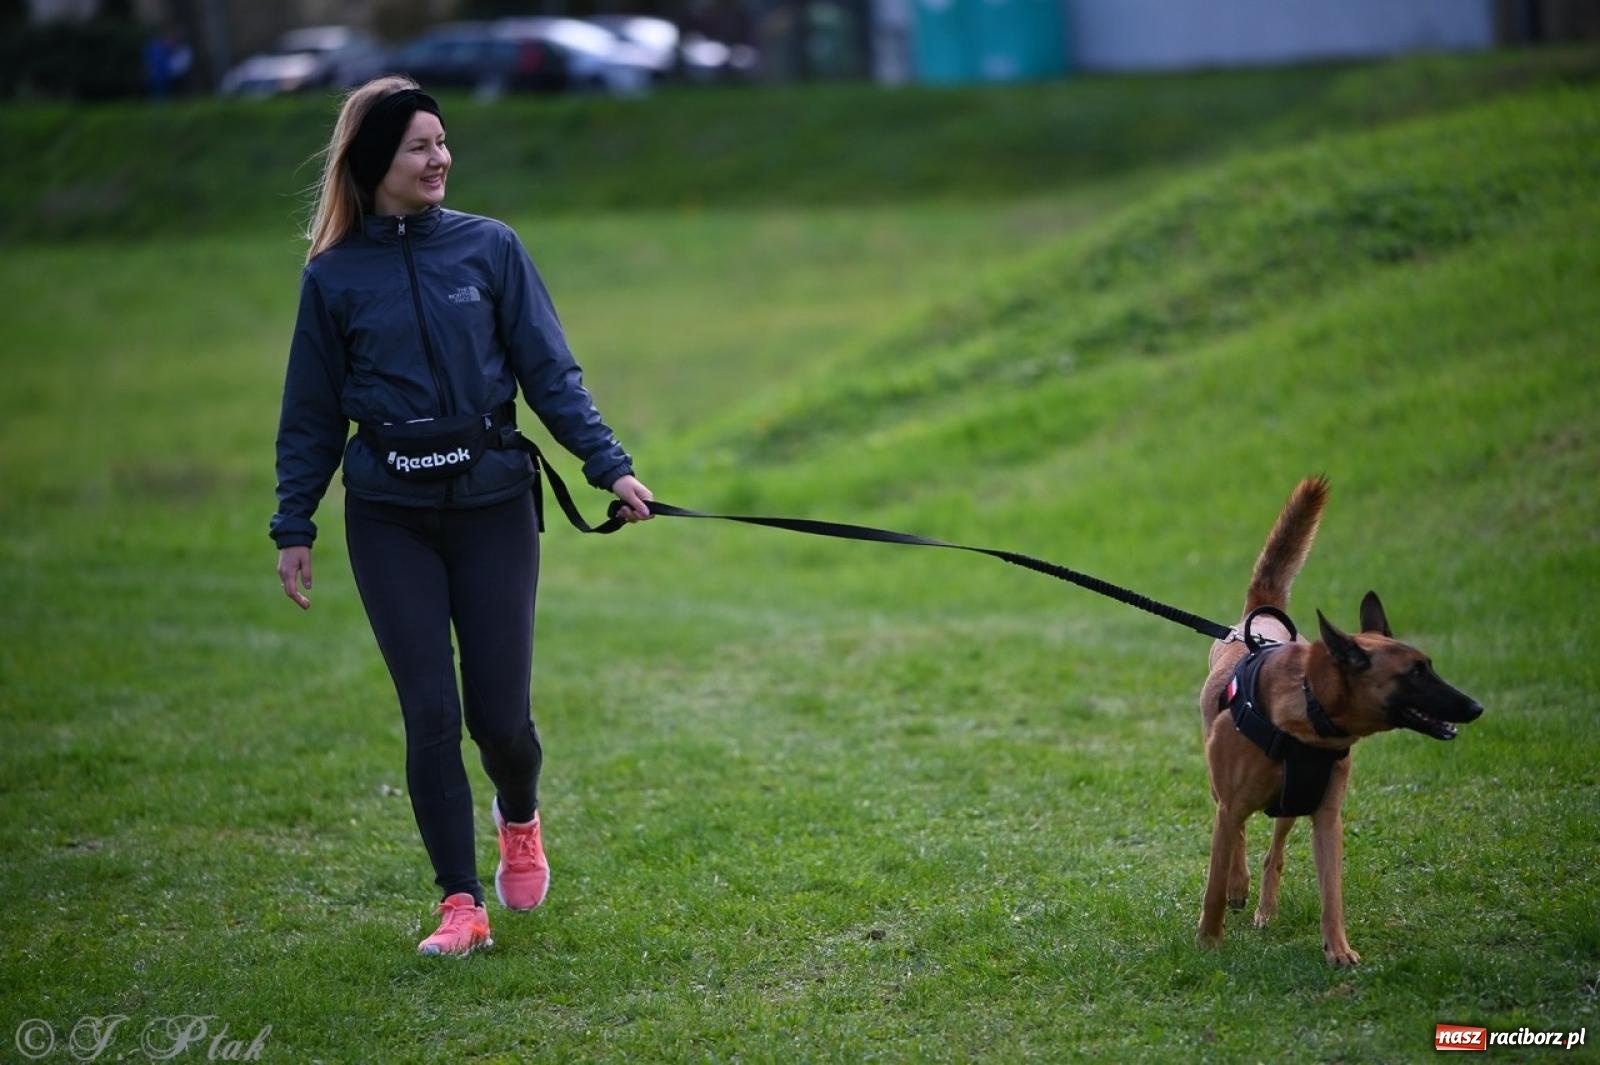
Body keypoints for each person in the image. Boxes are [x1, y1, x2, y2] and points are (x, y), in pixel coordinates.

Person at [271, 76, 654, 956]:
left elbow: (550, 372)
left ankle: (519, 817)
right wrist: (294, 523)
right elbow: (311, 413)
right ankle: (461, 903)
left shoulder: (490, 248)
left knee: (501, 720)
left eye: (441, 142)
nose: (439, 158)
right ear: (377, 162)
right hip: (389, 519)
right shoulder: (332, 278)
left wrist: (610, 465)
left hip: (492, 509)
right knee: (431, 713)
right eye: (420, 146)